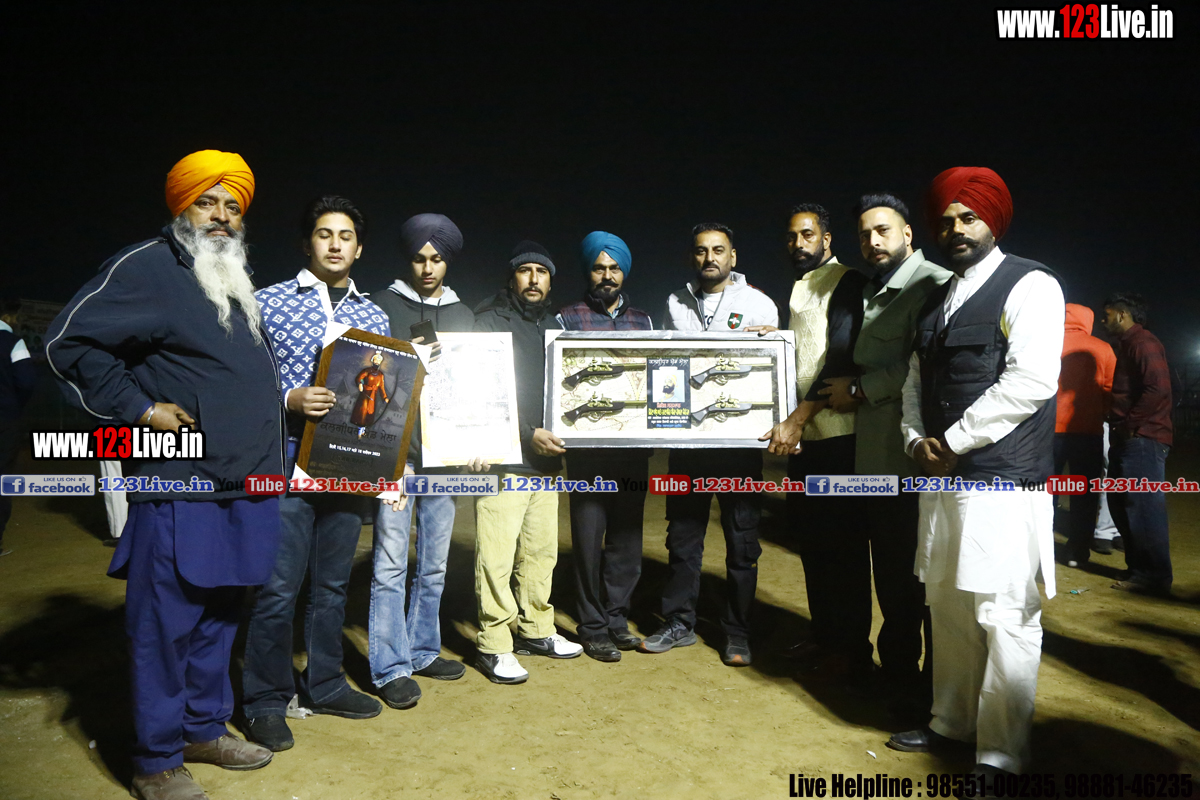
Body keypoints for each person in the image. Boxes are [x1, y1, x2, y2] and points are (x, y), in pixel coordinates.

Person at [46, 150, 281, 800]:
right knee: (165, 624)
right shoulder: (147, 266)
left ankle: (201, 730)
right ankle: (155, 760)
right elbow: (68, 342)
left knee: (220, 617)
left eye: (232, 206)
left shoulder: (231, 276)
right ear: (182, 206)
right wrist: (140, 409)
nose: (222, 215)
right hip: (181, 481)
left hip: (246, 483)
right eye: (208, 201)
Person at [889, 166, 1064, 781]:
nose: (956, 230)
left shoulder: (1031, 284)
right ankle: (951, 722)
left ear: (994, 221)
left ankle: (1001, 755)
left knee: (1004, 615)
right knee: (948, 605)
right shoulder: (937, 299)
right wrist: (916, 440)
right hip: (941, 480)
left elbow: (1032, 379)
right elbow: (914, 383)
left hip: (1001, 483)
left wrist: (954, 441)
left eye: (968, 217)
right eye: (946, 221)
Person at [793, 195, 951, 712]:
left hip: (912, 458)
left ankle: (921, 690)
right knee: (890, 574)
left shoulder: (932, 285)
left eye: (883, 230)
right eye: (865, 234)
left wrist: (861, 390)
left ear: (908, 234)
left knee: (912, 579)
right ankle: (896, 676)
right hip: (875, 457)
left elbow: (920, 362)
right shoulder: (876, 290)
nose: (872, 241)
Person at [243, 196, 390, 752]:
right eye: (324, 234)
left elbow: (385, 400)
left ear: (359, 248)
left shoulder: (374, 317)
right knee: (278, 586)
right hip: (286, 458)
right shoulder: (267, 302)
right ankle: (265, 699)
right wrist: (289, 398)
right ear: (308, 243)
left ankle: (325, 683)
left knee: (331, 585)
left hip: (349, 465)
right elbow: (244, 381)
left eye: (345, 236)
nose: (335, 244)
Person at [651, 223, 778, 667]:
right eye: (702, 251)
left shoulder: (759, 303)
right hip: (687, 446)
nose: (710, 258)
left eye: (718, 250)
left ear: (733, 256)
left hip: (739, 447)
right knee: (683, 538)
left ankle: (737, 632)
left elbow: (771, 371)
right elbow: (664, 366)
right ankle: (678, 623)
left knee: (742, 543)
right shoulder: (674, 302)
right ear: (693, 257)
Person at [761, 203, 871, 683]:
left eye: (807, 235)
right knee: (813, 543)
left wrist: (798, 418)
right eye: (791, 236)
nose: (798, 243)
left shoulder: (847, 281)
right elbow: (810, 346)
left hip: (839, 439)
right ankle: (825, 636)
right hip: (809, 442)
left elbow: (840, 356)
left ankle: (852, 650)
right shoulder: (802, 286)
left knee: (843, 549)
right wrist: (778, 339)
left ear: (827, 239)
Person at [367, 213, 473, 705]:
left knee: (433, 565)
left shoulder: (464, 315)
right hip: (398, 458)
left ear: (448, 261)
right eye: (419, 258)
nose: (428, 268)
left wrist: (476, 442)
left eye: (436, 259)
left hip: (445, 459)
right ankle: (389, 667)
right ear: (407, 259)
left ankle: (423, 650)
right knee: (390, 566)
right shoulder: (381, 306)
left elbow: (475, 389)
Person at [472, 240, 581, 684]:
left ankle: (536, 629)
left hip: (547, 465)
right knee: (496, 557)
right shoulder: (487, 322)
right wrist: (524, 434)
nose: (533, 279)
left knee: (540, 554)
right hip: (504, 461)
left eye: (542, 271)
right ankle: (494, 644)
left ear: (551, 281)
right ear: (512, 277)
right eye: (525, 270)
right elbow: (480, 394)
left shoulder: (556, 328)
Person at [555, 231, 654, 662]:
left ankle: (616, 619)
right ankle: (592, 626)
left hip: (632, 448)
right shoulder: (566, 318)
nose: (607, 275)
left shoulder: (644, 322)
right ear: (588, 271)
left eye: (614, 268)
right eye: (599, 268)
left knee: (627, 540)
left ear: (623, 272)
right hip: (587, 451)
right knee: (588, 539)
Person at [1100, 292, 1173, 595]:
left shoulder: (1143, 343)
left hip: (1143, 438)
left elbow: (1158, 389)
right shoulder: (1130, 344)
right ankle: (1139, 569)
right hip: (1131, 437)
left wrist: (1131, 426)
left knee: (1141, 506)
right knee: (1122, 504)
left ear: (1122, 314)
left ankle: (1153, 576)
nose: (1103, 321)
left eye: (1107, 315)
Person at [1054, 303, 1116, 567]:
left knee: (1045, 491)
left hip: (1049, 432)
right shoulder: (1102, 348)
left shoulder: (1046, 342)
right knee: (1085, 493)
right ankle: (1077, 552)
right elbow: (1110, 390)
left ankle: (1038, 546)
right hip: (1088, 431)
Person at [0, 298, 36, 557]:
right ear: (8, 316)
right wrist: (13, 404)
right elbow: (26, 381)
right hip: (5, 420)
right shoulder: (13, 342)